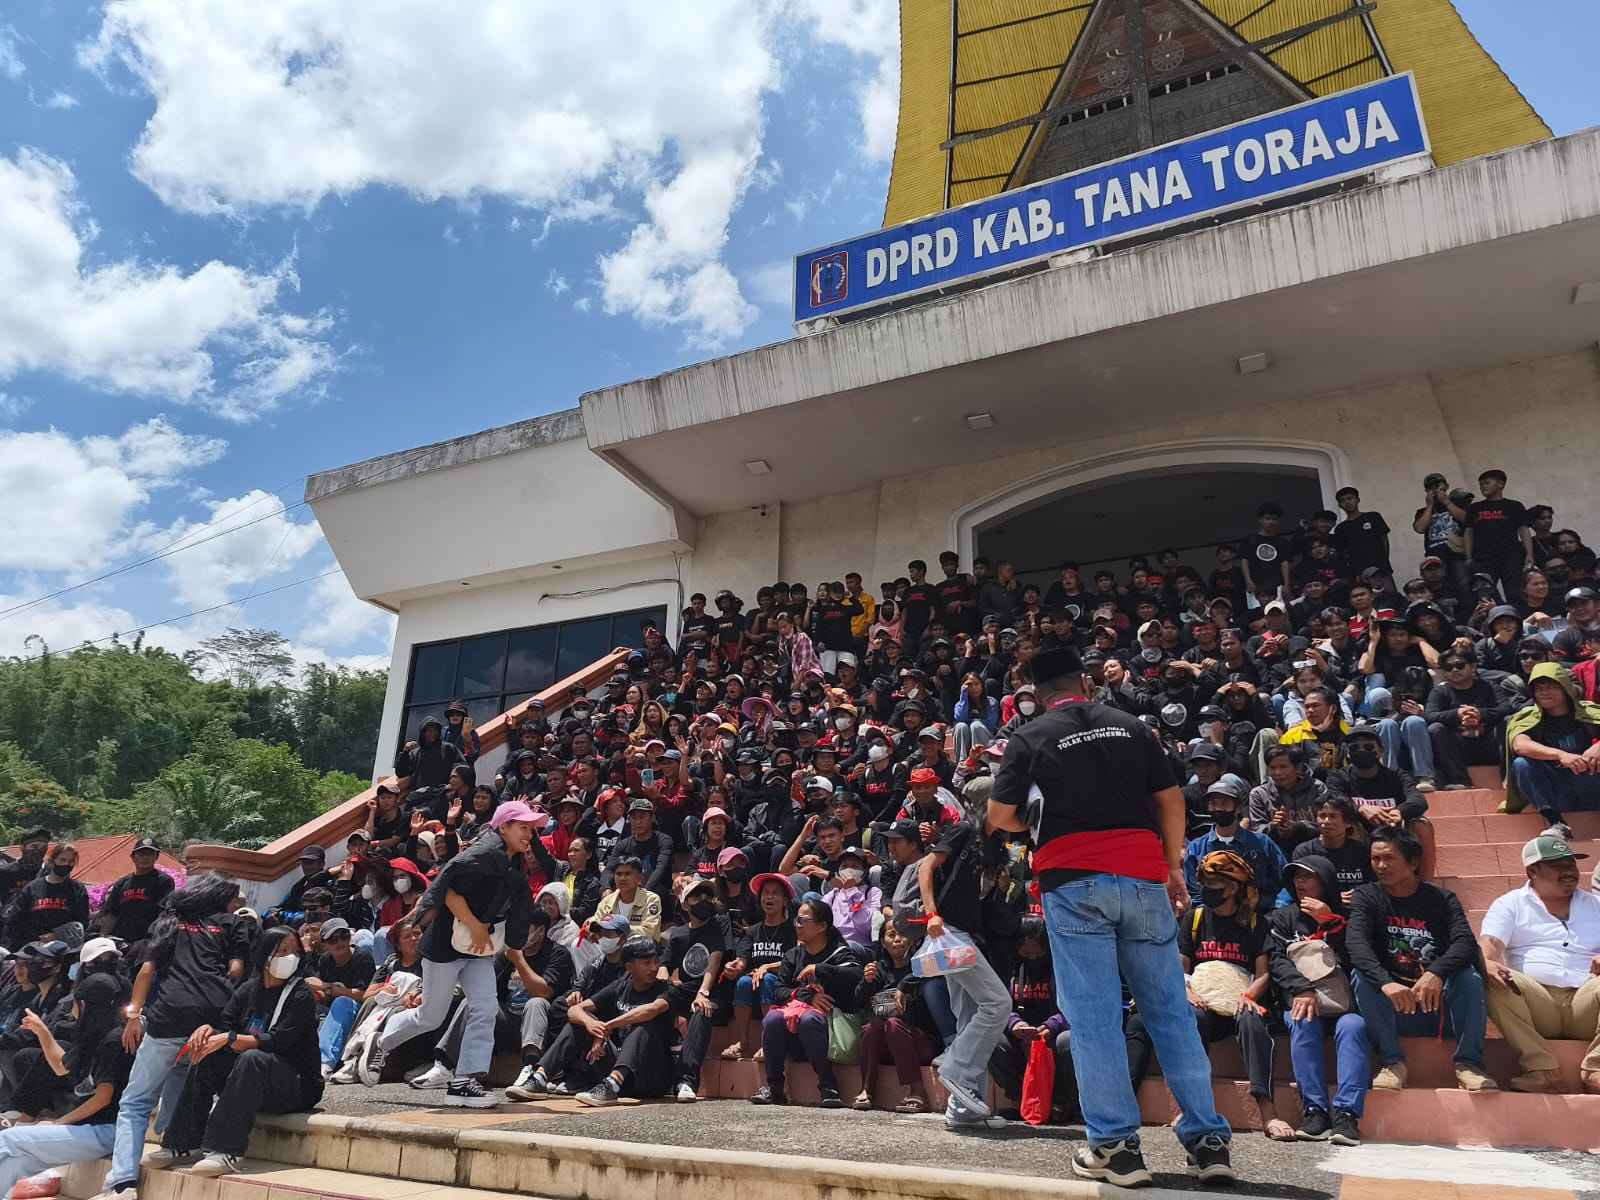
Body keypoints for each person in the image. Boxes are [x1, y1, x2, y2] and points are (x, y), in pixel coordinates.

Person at [989, 644, 1235, 1187]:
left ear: (1038, 695)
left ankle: (1117, 1149)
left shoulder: (1030, 736)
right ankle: (1208, 1142)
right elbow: (1172, 801)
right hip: (1144, 877)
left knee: (1096, 1020)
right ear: (1085, 682)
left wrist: (1035, 821)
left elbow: (1000, 814)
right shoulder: (1131, 726)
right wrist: (1172, 867)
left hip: (1073, 882)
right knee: (1170, 1013)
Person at [358, 800, 536, 1108]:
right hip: (445, 945)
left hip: (477, 950)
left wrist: (488, 933)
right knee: (430, 1016)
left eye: (531, 829)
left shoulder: (512, 861)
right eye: (523, 827)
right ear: (503, 827)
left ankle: (465, 1081)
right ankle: (381, 1039)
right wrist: (476, 927)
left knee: (485, 1008)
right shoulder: (481, 854)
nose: (529, 835)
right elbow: (449, 890)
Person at [94, 873, 250, 1200]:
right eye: (231, 897)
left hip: (170, 1013)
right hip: (212, 1015)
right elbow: (236, 970)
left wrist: (134, 1016)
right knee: (184, 1072)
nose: (234, 903)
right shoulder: (231, 923)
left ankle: (122, 1182)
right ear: (219, 897)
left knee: (136, 1102)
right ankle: (173, 1140)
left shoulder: (169, 923)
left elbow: (146, 971)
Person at [153, 926, 322, 1177]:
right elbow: (226, 1025)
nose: (291, 957)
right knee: (207, 1053)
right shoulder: (248, 990)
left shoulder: (300, 994)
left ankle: (226, 1150)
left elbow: (279, 1041)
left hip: (295, 1085)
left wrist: (230, 1037)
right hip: (252, 1081)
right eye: (283, 950)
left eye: (295, 951)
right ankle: (183, 1143)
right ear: (264, 954)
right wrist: (209, 1031)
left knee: (252, 1058)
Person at [1345, 829, 1496, 1092]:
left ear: (1413, 862)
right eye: (1375, 859)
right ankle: (1392, 1063)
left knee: (1468, 977)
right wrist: (1386, 983)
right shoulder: (1367, 896)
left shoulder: (1441, 899)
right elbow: (1356, 944)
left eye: (1389, 858)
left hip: (1438, 1008)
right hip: (1393, 1007)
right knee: (1362, 976)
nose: (1381, 865)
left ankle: (1469, 1065)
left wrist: (1435, 973)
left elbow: (1466, 943)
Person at [1480, 833, 1600, 1094]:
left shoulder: (1596, 905)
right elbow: (1488, 948)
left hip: (1587, 1003)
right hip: (1537, 1003)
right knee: (1489, 974)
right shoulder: (1510, 904)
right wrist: (1486, 964)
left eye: (1571, 863)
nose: (1569, 871)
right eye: (1558, 865)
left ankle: (1597, 1068)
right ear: (1532, 871)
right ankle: (1542, 1069)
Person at [0, 975, 131, 1198]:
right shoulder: (94, 1036)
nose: (72, 1010)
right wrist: (42, 1031)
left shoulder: (114, 1040)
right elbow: (61, 1068)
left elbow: (103, 1098)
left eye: (75, 1003)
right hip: (87, 1129)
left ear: (85, 1004)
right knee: (15, 1163)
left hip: (107, 1131)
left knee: (7, 1139)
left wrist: (59, 1122)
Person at [1268, 856, 1368, 1145]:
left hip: (1342, 1004)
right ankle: (1315, 1111)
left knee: (1354, 1027)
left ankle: (1346, 1116)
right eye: (1296, 877)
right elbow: (1276, 960)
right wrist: (1302, 989)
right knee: (1302, 1021)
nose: (1300, 882)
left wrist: (1331, 922)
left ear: (1324, 882)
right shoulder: (1283, 917)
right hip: (1303, 999)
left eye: (1308, 876)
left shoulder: (1347, 915)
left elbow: (1357, 956)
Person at [514, 936, 674, 1106]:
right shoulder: (620, 986)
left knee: (643, 1027)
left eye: (656, 962)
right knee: (579, 1024)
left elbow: (652, 1010)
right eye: (647, 963)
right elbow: (574, 1010)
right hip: (618, 1069)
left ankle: (611, 1085)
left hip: (650, 1076)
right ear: (629, 967)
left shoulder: (665, 988)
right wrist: (592, 1025)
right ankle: (540, 1077)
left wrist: (607, 1027)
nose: (654, 968)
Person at [752, 894, 862, 1108]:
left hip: (829, 1033)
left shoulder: (839, 952)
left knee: (810, 1019)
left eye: (802, 920)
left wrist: (819, 969)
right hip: (793, 1034)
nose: (797, 925)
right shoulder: (793, 955)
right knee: (773, 1019)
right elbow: (779, 991)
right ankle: (775, 1088)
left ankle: (828, 1086)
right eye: (796, 920)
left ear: (822, 926)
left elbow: (856, 974)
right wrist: (808, 996)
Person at [1326, 722, 1436, 880]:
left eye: (1368, 747)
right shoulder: (1338, 777)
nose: (1361, 751)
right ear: (1348, 754)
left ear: (1381, 751)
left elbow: (1418, 800)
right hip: (1358, 835)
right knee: (1349, 824)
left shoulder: (1397, 776)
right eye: (1354, 748)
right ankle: (1358, 882)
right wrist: (1361, 808)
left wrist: (1399, 811)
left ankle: (1426, 885)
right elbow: (1334, 799)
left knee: (1422, 824)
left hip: (1393, 833)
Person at [854, 920, 939, 1113]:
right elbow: (858, 1001)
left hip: (920, 1043)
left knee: (893, 1024)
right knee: (872, 1026)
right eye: (891, 935)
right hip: (887, 1045)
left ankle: (917, 1091)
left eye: (902, 934)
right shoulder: (879, 969)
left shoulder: (922, 964)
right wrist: (866, 982)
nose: (898, 939)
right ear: (883, 943)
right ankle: (866, 1089)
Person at [1505, 662, 1600, 831]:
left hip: (1590, 782)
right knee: (1521, 764)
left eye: (1550, 687)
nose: (1544, 692)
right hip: (1557, 788)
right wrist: (1561, 755)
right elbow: (1520, 744)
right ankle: (1556, 823)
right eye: (1539, 689)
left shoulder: (1590, 712)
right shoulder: (1527, 718)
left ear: (1565, 688)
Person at [4, 843, 89, 951]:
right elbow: (15, 921)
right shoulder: (32, 888)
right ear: (53, 860)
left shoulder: (77, 889)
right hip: (32, 948)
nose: (66, 864)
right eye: (62, 860)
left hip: (64, 950)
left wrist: (57, 935)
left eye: (71, 861)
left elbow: (82, 922)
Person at [95, 838, 175, 945]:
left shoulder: (163, 881)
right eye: (141, 854)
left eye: (150, 854)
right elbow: (110, 913)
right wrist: (102, 938)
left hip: (147, 942)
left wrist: (155, 941)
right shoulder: (122, 883)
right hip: (121, 941)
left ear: (156, 857)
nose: (145, 857)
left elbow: (165, 913)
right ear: (133, 857)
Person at [593, 857, 663, 943]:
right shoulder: (607, 900)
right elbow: (596, 921)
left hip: (640, 947)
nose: (622, 878)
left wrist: (618, 931)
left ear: (639, 878)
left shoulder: (651, 899)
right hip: (611, 946)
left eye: (628, 874)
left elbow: (649, 931)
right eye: (618, 874)